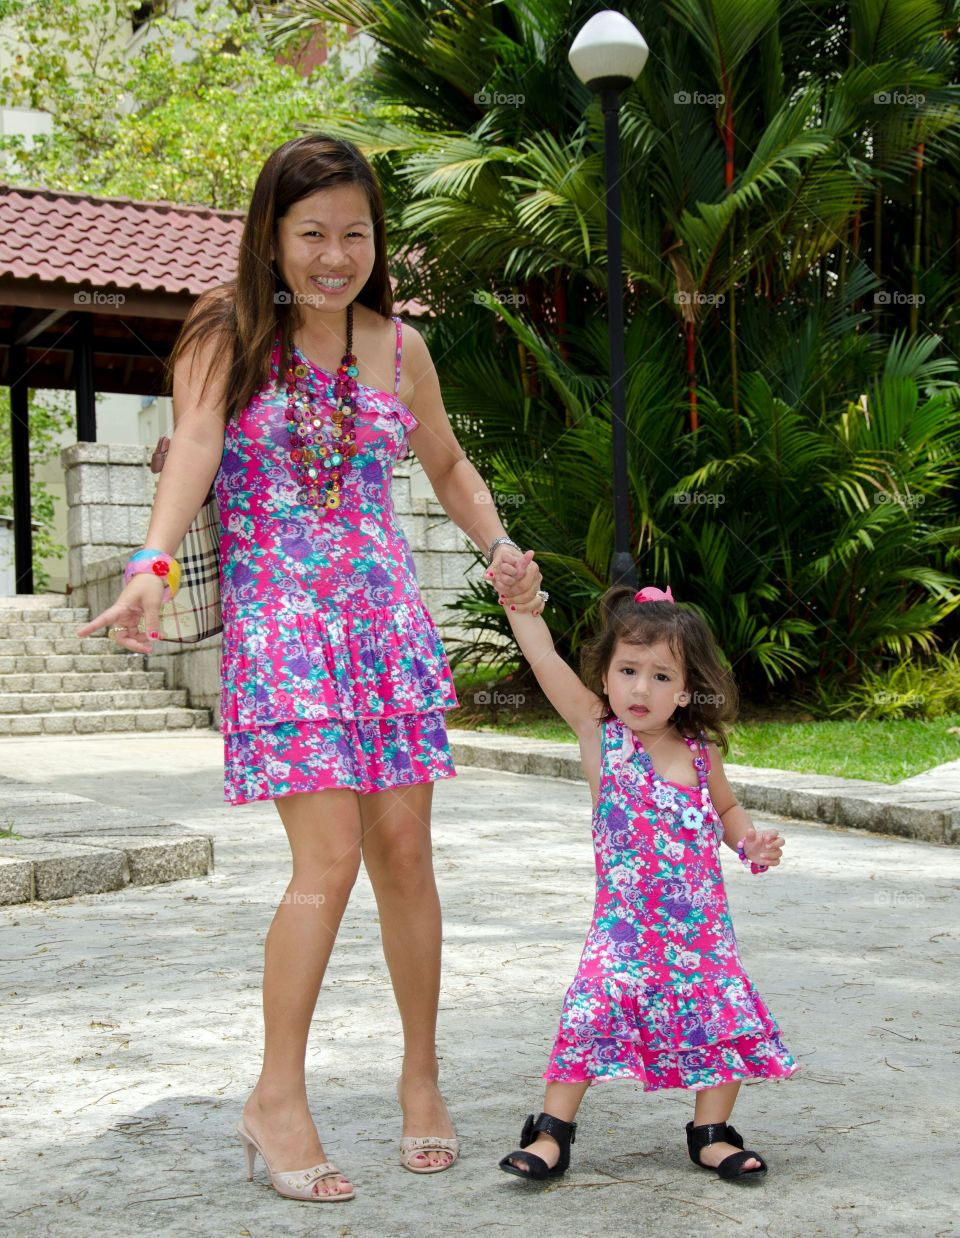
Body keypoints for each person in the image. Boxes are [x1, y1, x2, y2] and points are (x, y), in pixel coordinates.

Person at [77, 134, 543, 1203]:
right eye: (312, 234)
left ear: (377, 239)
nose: (335, 255)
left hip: (386, 629)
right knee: (326, 861)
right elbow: (195, 445)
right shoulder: (225, 332)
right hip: (284, 635)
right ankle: (275, 1095)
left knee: (408, 858)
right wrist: (152, 559)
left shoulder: (399, 345)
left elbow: (447, 460)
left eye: (355, 233)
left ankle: (419, 1076)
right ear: (270, 236)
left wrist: (497, 545)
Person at [494, 575, 798, 1185]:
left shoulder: (699, 751)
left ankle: (711, 1134)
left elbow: (727, 812)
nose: (641, 688)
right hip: (623, 932)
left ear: (687, 692)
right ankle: (552, 1132)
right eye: (628, 670)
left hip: (700, 933)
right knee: (589, 1013)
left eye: (662, 677)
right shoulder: (598, 736)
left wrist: (749, 843)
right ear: (605, 675)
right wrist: (519, 602)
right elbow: (543, 656)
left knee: (722, 1016)